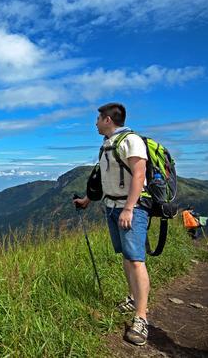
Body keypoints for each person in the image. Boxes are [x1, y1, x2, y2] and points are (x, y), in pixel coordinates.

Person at [73, 102, 150, 346]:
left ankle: (141, 318)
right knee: (127, 257)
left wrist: (129, 208)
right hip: (112, 207)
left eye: (97, 119)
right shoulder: (106, 145)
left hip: (131, 209)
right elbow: (103, 178)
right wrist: (87, 199)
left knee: (136, 260)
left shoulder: (131, 140)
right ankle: (132, 298)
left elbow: (139, 175)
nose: (95, 123)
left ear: (108, 120)